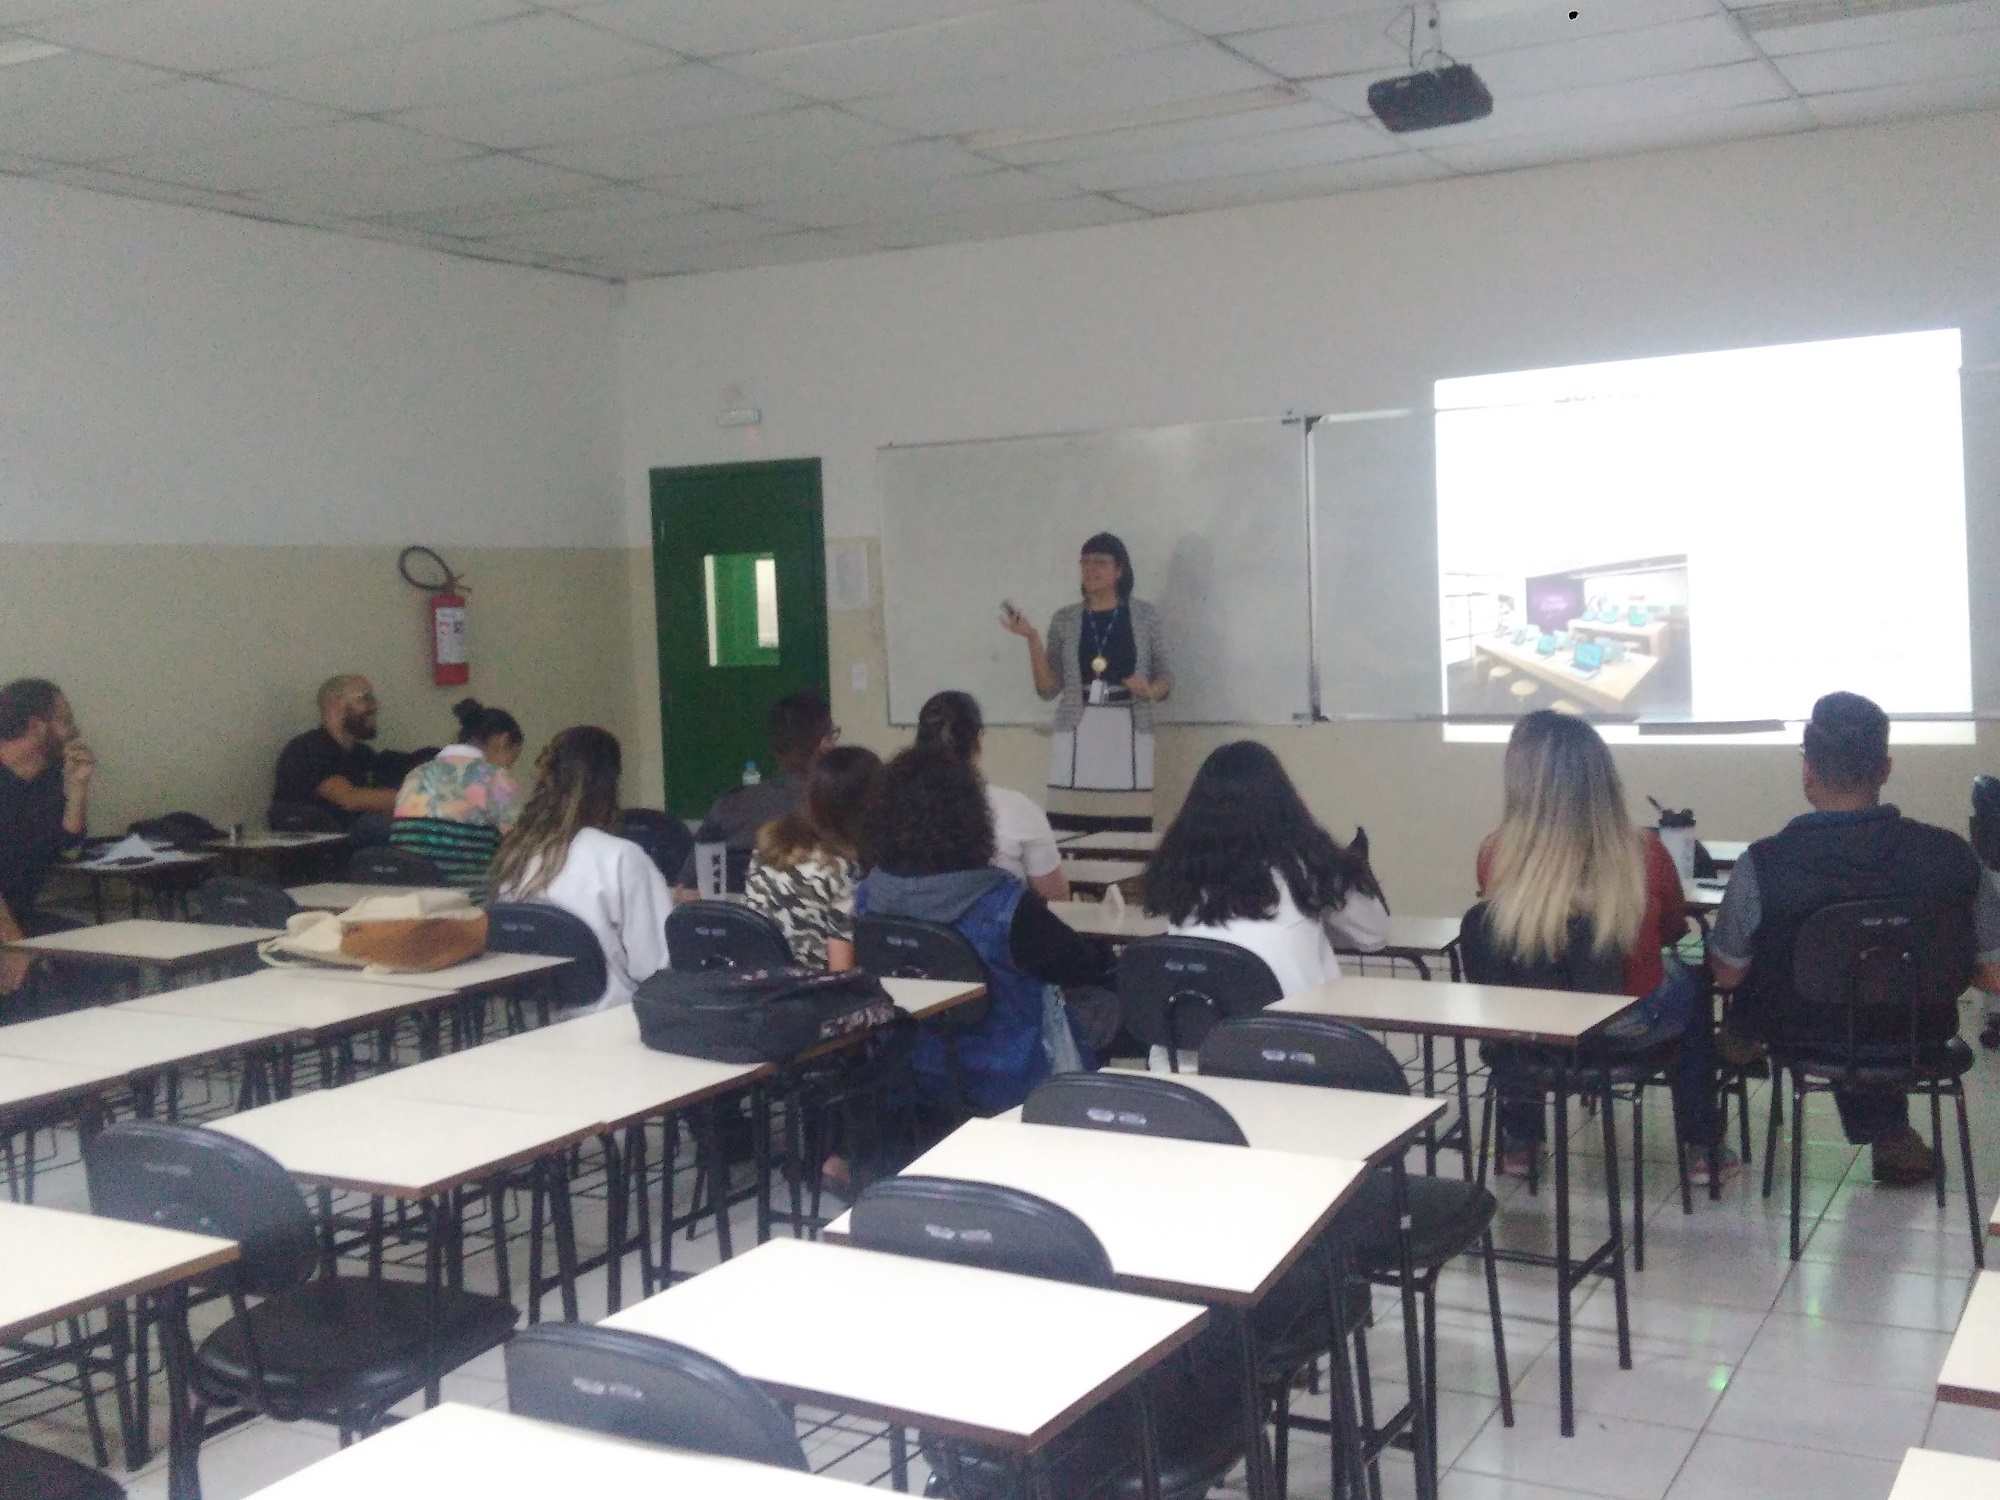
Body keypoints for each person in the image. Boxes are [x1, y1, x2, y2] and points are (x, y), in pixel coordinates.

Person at [1710, 692, 2000, 1185]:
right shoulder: (1951, 856)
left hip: (1803, 1031)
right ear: (1885, 768)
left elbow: (1727, 972)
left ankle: (1726, 1089)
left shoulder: (1765, 864)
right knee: (1869, 990)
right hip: (1919, 1033)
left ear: (1807, 771)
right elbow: (1994, 974)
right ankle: (1893, 1140)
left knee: (1827, 993)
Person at [1465, 711, 1721, 1178]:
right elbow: (1672, 929)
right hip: (1625, 1027)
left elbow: (1507, 946)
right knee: (1693, 981)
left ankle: (1520, 1141)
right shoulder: (1645, 852)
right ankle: (1703, 1148)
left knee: (1510, 1005)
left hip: (1534, 1032)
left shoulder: (1494, 854)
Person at [857, 745, 1112, 1115]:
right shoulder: (1003, 903)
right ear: (970, 817)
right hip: (1009, 1081)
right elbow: (1076, 966)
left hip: (907, 1071)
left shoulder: (869, 896)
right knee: (1096, 1004)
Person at [1144, 740, 1387, 1020]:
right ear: (1284, 802)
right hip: (1296, 1048)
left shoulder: (1178, 868)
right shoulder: (1309, 865)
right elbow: (1374, 936)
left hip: (1191, 1048)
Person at [490, 727, 670, 1011]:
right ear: (611, 784)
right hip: (612, 1023)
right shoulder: (621, 858)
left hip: (530, 1024)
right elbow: (657, 969)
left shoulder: (515, 856)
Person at [1004, 532, 1171, 796]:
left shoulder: (1145, 616)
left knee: (1127, 810)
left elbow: (1165, 679)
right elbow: (1048, 690)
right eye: (1085, 562)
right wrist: (1032, 639)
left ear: (1119, 571)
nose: (1090, 569)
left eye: (1101, 562)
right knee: (1072, 811)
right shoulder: (1065, 619)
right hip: (1077, 722)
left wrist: (1149, 691)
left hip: (1130, 722)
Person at [914, 690, 1069, 902]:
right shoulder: (1017, 809)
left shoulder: (895, 811)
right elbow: (1056, 900)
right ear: (978, 738)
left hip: (908, 934)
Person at [678, 691, 839, 892]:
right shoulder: (835, 807)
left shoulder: (729, 805)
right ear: (825, 744)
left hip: (737, 919)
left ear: (773, 747)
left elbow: (687, 885)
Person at [744, 745, 882, 971]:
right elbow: (841, 971)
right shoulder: (842, 868)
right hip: (813, 995)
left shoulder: (767, 849)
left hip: (760, 991)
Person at [0, 679, 94, 998]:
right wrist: (14, 943)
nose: (75, 732)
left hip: (18, 913)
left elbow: (66, 843)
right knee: (27, 985)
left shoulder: (47, 778)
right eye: (65, 721)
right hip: (7, 921)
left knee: (100, 957)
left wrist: (79, 787)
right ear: (38, 726)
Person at [388, 698, 525, 893]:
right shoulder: (495, 778)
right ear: (502, 740)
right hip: (468, 900)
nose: (508, 767)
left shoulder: (416, 774)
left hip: (411, 897)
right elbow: (520, 846)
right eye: (512, 759)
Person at [270, 675, 415, 845]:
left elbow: (382, 804)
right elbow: (349, 799)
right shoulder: (306, 749)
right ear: (334, 703)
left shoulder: (363, 754)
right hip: (324, 849)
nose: (375, 706)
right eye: (365, 698)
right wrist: (420, 799)